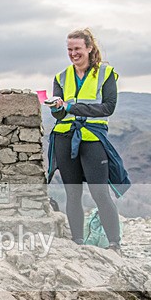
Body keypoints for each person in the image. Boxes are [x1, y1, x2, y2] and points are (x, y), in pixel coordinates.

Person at [46, 28, 130, 252]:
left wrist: (71, 107)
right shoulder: (61, 77)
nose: (73, 54)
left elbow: (108, 108)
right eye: (69, 49)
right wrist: (57, 108)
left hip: (92, 137)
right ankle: (78, 242)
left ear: (89, 48)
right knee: (72, 193)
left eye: (77, 49)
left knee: (99, 192)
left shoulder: (105, 73)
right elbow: (60, 115)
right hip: (65, 137)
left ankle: (114, 244)